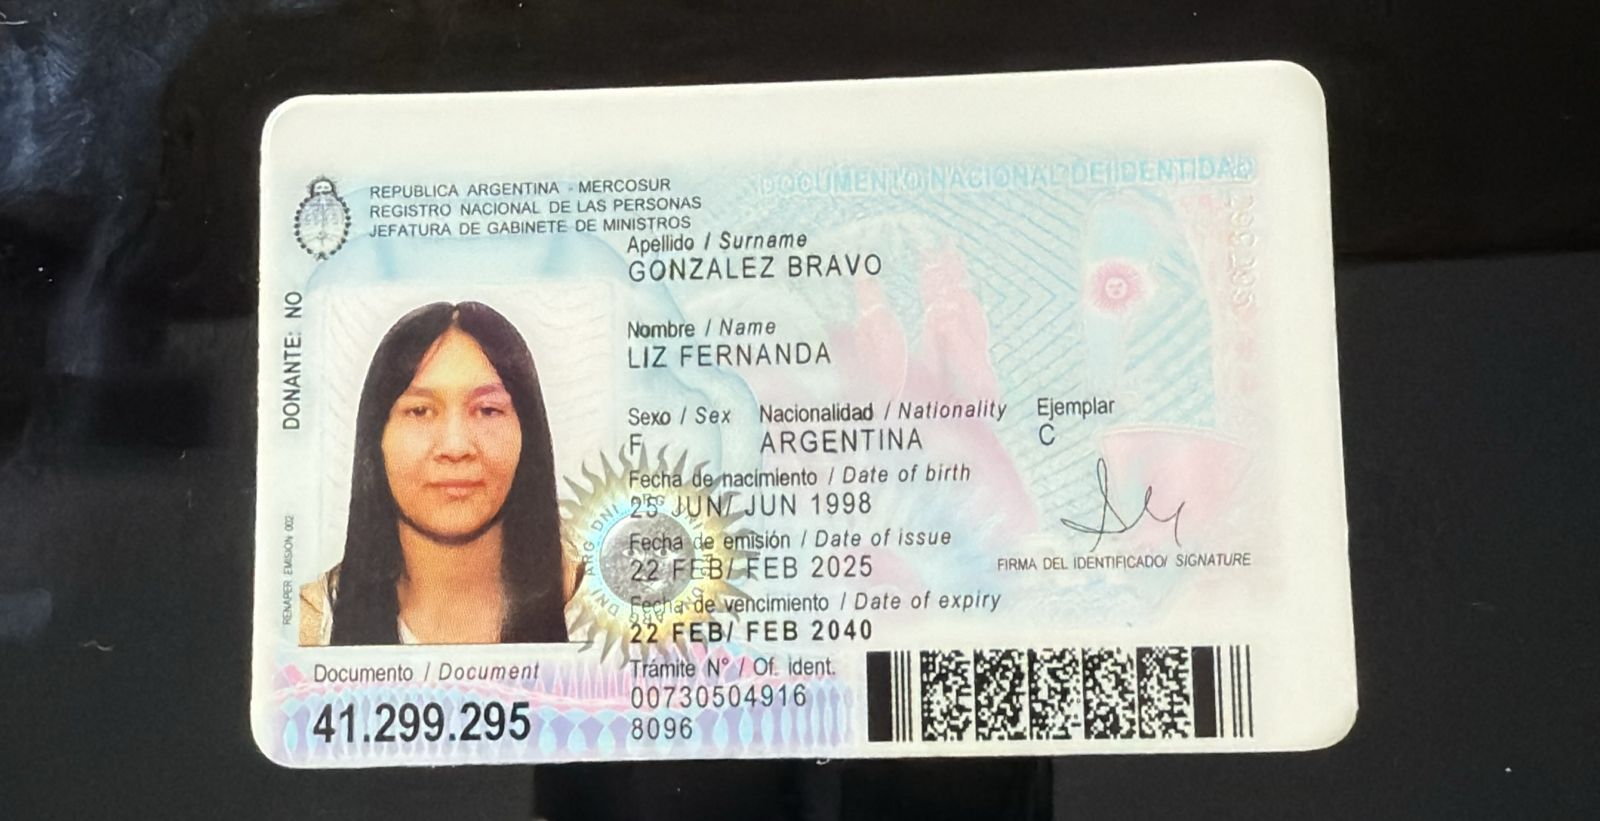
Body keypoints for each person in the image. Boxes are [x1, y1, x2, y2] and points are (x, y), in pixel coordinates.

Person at [300, 301, 572, 645]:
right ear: (376, 437)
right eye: (420, 411)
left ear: (527, 433)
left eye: (487, 410)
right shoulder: (307, 628)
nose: (455, 447)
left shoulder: (607, 617)